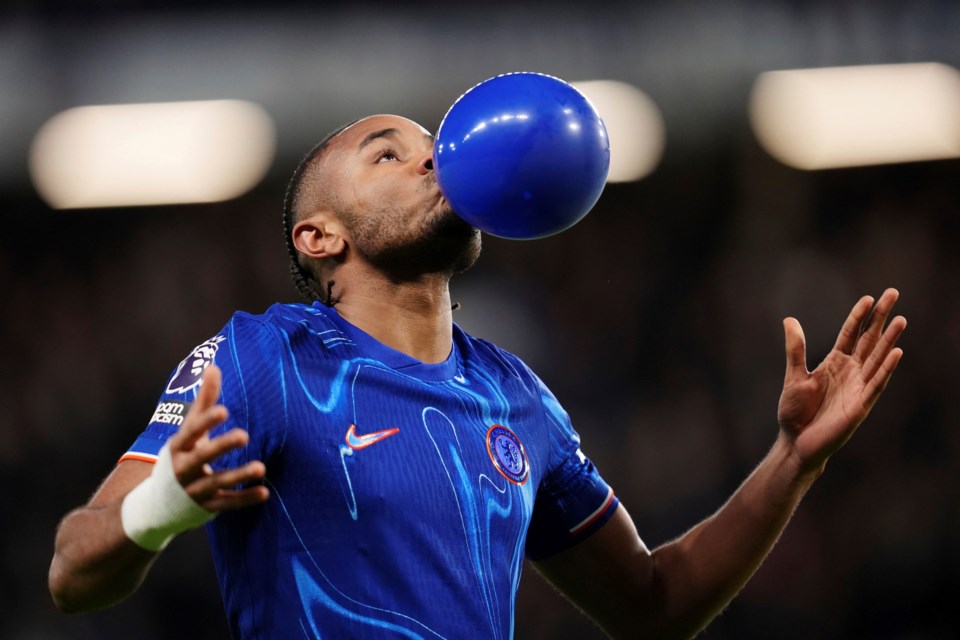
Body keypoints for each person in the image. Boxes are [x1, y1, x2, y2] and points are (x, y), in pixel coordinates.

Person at [48, 114, 907, 639]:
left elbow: (654, 605)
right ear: (320, 238)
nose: (435, 159)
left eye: (432, 146)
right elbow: (71, 568)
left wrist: (793, 460)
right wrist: (167, 501)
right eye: (389, 155)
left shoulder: (518, 400)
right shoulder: (266, 358)